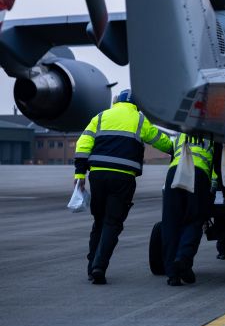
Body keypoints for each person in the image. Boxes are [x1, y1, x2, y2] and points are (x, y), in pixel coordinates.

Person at [73, 89, 173, 285]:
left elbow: (82, 143)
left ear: (117, 101)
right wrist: (175, 149)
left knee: (99, 221)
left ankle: (91, 266)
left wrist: (79, 174)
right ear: (136, 104)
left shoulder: (101, 116)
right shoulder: (138, 119)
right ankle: (99, 267)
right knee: (112, 223)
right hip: (123, 178)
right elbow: (158, 139)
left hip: (98, 175)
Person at [162, 133, 214, 286]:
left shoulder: (181, 133)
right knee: (194, 219)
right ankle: (183, 257)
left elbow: (167, 146)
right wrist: (215, 186)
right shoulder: (214, 133)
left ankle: (172, 275)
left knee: (171, 223)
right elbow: (218, 163)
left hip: (174, 172)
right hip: (198, 174)